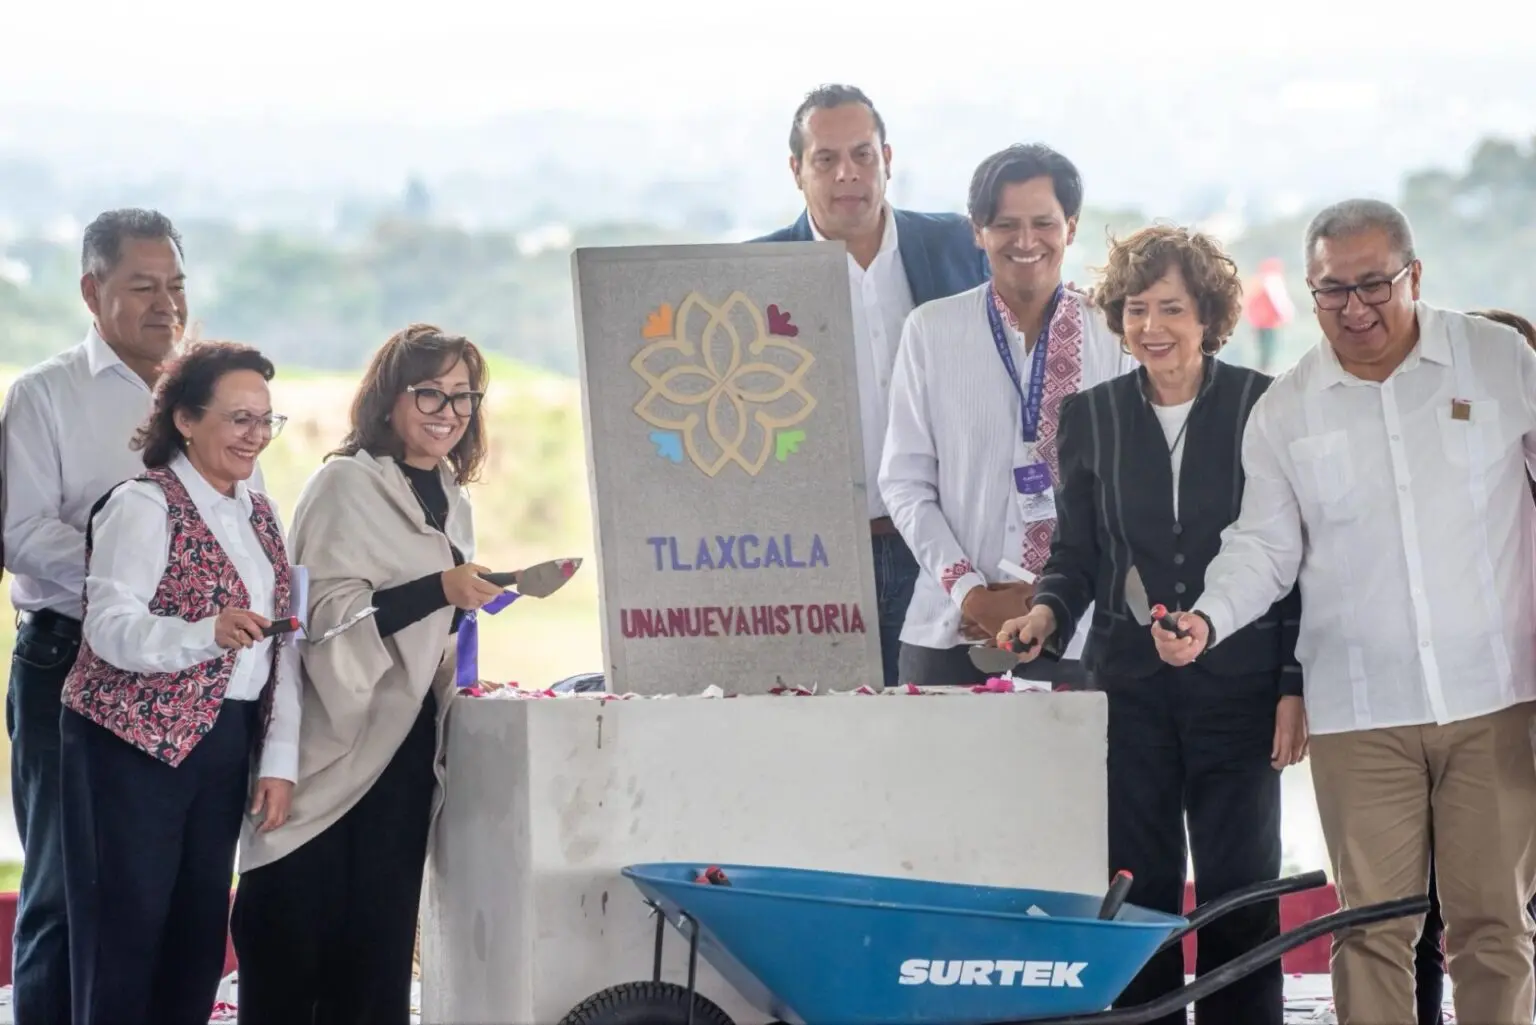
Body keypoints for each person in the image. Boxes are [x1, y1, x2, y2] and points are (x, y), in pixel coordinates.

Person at [1153, 199, 1536, 1025]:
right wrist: (1207, 618)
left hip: (1495, 697)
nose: (1354, 308)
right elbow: (1263, 547)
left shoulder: (1498, 360)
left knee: (1494, 927)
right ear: (1310, 289)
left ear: (1415, 275)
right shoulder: (1288, 409)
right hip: (1361, 715)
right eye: (1332, 290)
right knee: (1370, 930)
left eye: (1374, 285)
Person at [994, 225, 1304, 1024]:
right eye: (1136, 308)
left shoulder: (1262, 404)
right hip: (1128, 689)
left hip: (1240, 689)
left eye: (1171, 308)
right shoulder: (1089, 416)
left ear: (1209, 316)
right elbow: (1076, 553)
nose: (1151, 326)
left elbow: (1291, 557)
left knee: (1242, 890)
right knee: (1139, 891)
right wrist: (1045, 612)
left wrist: (1292, 685)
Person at [230, 324, 506, 1025]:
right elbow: (319, 621)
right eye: (430, 393)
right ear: (389, 398)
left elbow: (438, 629)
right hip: (332, 745)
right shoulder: (344, 484)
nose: (449, 412)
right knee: (297, 940)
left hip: (406, 746)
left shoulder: (452, 496)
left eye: (463, 396)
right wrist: (438, 589)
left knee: (378, 951)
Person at [57, 341, 299, 1025]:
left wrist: (276, 758)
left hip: (224, 739)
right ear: (185, 420)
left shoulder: (260, 512)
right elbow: (109, 627)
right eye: (239, 418)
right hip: (127, 746)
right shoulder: (143, 504)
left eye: (266, 420)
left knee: (197, 937)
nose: (256, 435)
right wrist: (203, 633)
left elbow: (282, 644)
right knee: (124, 936)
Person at [0, 208, 190, 1024]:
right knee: (60, 891)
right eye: (143, 286)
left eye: (176, 284)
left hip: (182, 665)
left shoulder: (206, 394)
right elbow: (20, 533)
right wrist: (130, 568)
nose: (166, 305)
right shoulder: (46, 395)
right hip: (68, 660)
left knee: (163, 885)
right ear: (91, 291)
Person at [753, 84, 990, 688]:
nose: (847, 173)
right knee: (831, 732)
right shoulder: (754, 275)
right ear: (796, 170)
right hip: (816, 560)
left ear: (886, 158)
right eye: (826, 159)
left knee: (939, 728)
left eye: (862, 154)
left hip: (942, 553)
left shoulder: (959, 247)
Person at [879, 142, 1134, 689]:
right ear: (977, 230)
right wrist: (970, 591)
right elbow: (904, 482)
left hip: (1080, 634)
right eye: (1005, 224)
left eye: (1043, 223)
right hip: (950, 631)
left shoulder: (1114, 336)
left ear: (1070, 227)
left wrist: (1051, 598)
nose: (1025, 241)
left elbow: (1130, 488)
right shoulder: (932, 331)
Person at [1412, 305, 1536, 1025]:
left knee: (1507, 906)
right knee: (1427, 899)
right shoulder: (1439, 489)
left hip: (1521, 704)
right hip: (1457, 708)